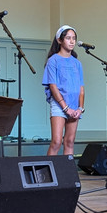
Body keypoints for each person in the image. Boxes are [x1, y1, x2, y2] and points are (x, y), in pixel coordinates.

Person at [43, 25, 85, 156]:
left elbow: (81, 88)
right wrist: (66, 108)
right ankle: (48, 173)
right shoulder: (53, 60)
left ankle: (67, 175)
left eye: (74, 38)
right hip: (59, 105)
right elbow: (53, 86)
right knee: (56, 141)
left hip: (74, 105)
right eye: (68, 38)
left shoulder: (77, 63)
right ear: (60, 40)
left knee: (70, 141)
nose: (72, 41)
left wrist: (80, 108)